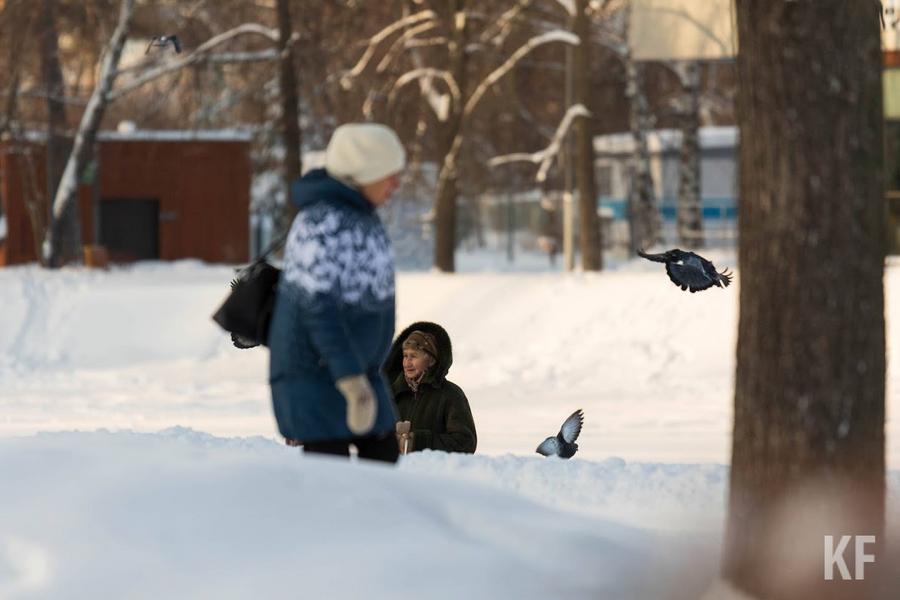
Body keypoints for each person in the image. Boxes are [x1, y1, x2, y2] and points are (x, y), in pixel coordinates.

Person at [268, 123, 405, 463]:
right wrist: (350, 380)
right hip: (320, 374)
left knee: (383, 461)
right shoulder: (322, 223)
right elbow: (318, 311)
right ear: (364, 172)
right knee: (332, 477)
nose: (396, 184)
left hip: (358, 372)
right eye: (389, 174)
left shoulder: (361, 217)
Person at [383, 322, 477, 453]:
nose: (407, 362)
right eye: (405, 356)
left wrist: (417, 442)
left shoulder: (451, 395)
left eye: (414, 356)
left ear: (431, 360)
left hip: (430, 467)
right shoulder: (390, 393)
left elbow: (465, 443)